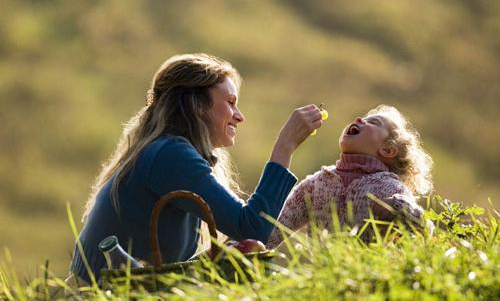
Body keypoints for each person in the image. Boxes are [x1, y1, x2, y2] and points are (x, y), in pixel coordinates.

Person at [68, 53, 324, 284]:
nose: (239, 115)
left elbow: (162, 271)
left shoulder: (166, 151)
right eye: (231, 102)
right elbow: (253, 227)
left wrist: (216, 256)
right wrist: (286, 145)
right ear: (198, 106)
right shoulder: (170, 154)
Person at [267, 105, 434, 248]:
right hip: (322, 279)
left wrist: (397, 207)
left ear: (387, 150)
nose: (360, 119)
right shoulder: (317, 184)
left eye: (373, 122)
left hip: (368, 280)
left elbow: (424, 228)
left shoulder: (389, 186)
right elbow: (273, 231)